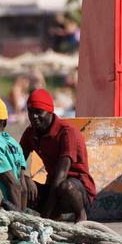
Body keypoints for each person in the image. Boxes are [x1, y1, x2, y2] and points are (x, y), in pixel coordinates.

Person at [20, 89, 96, 222]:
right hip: (52, 185)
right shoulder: (30, 133)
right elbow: (17, 162)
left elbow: (60, 177)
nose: (34, 116)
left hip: (76, 188)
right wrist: (25, 178)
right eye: (30, 112)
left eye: (38, 112)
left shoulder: (66, 133)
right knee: (20, 185)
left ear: (50, 111)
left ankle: (81, 216)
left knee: (66, 187)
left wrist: (45, 218)